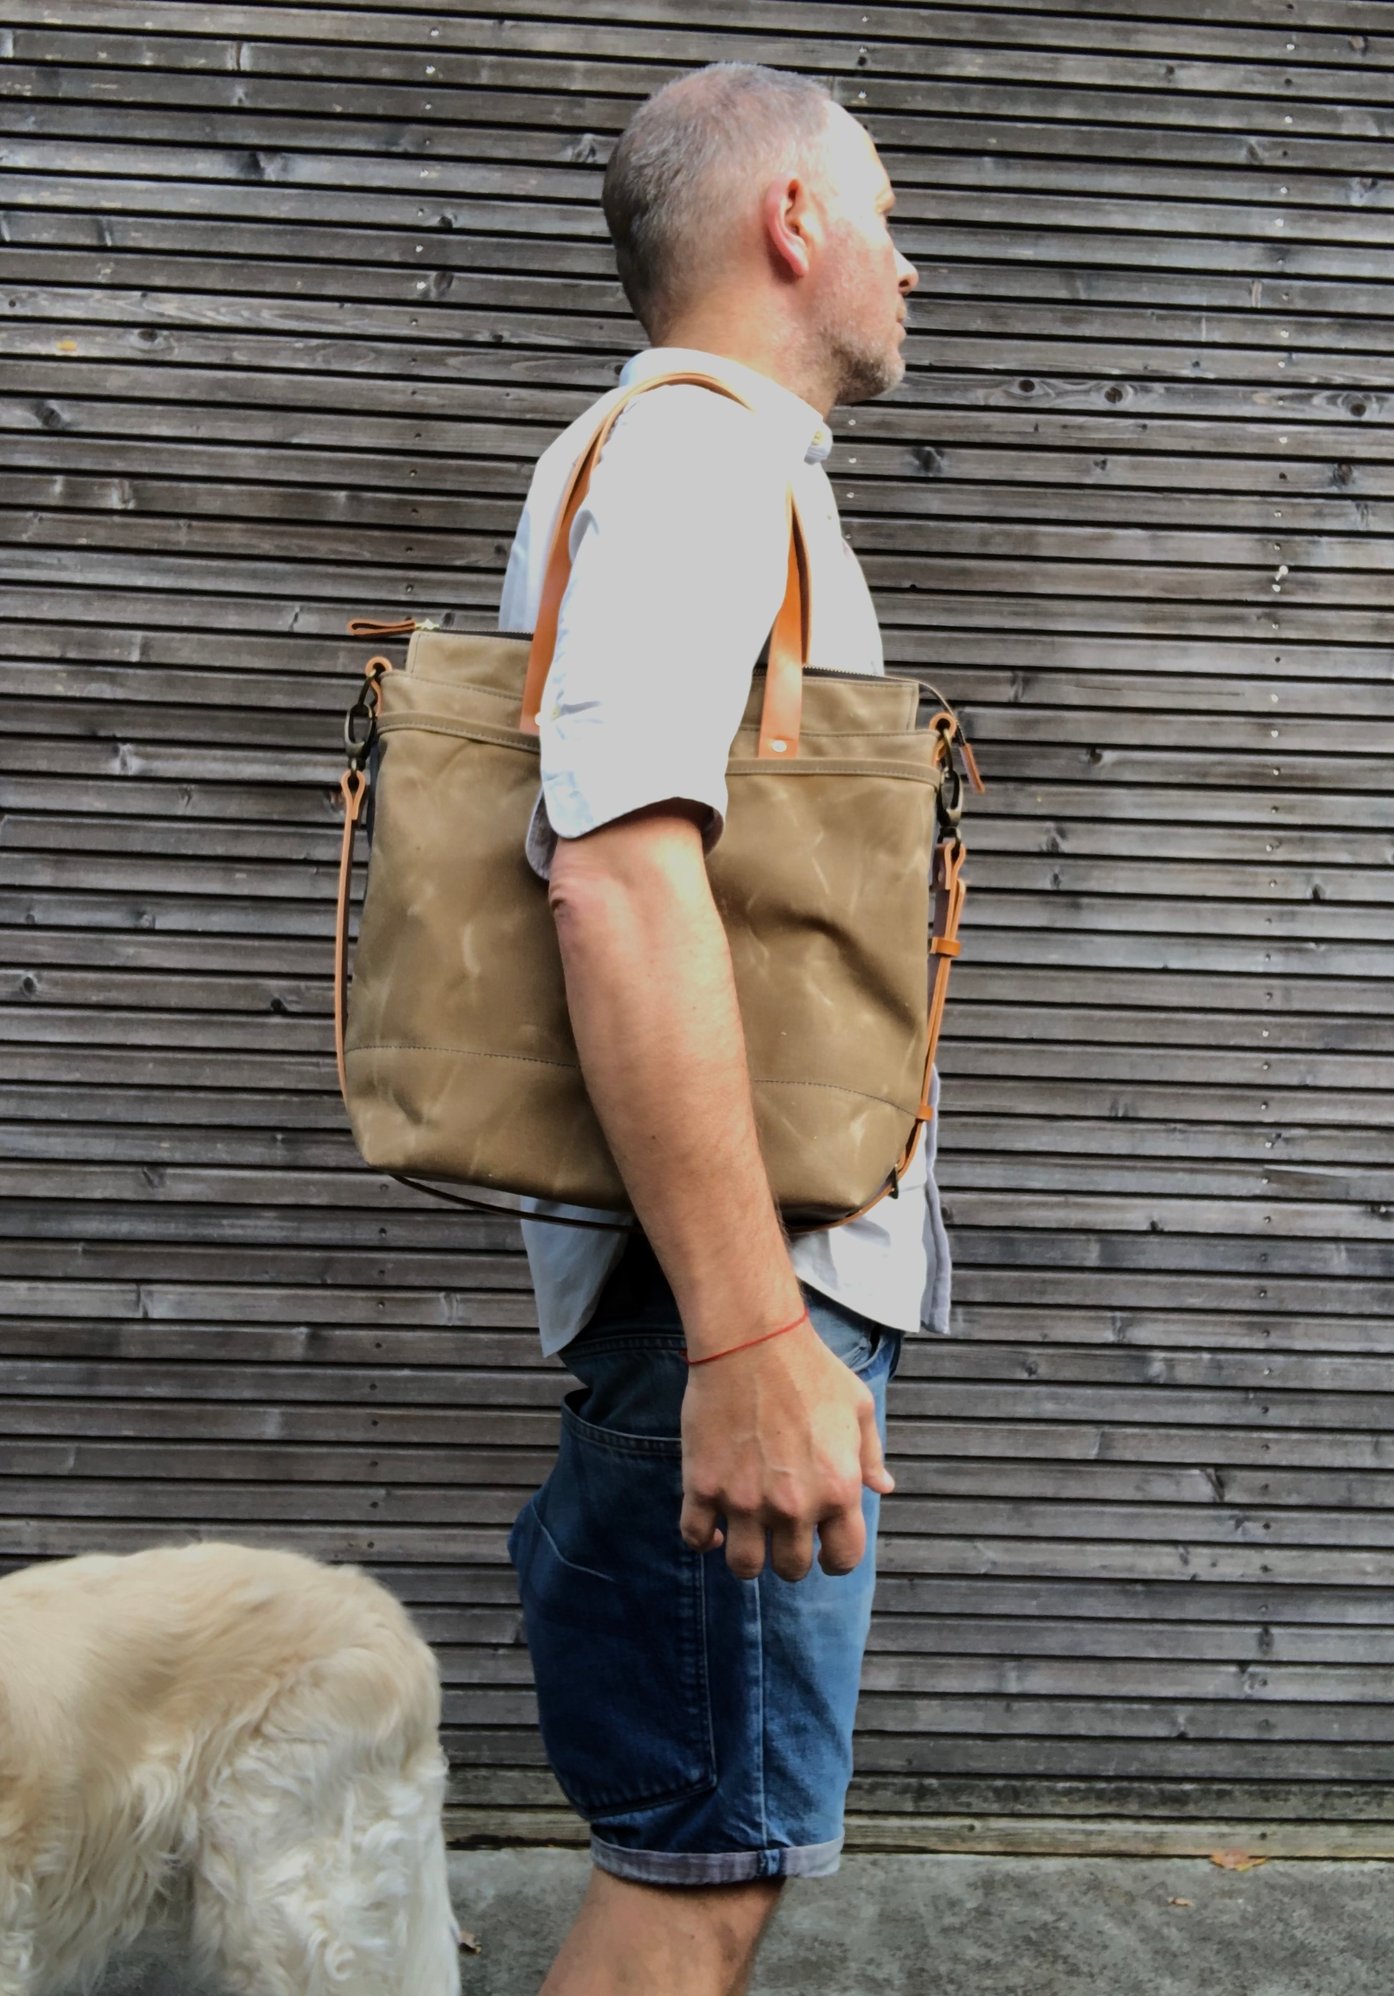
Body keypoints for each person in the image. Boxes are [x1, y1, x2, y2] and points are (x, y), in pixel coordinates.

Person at [500, 62, 939, 1996]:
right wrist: (756, 1334)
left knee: (707, 1851)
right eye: (892, 214)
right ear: (794, 222)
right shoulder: (696, 463)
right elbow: (615, 872)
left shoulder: (690, 466)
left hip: (730, 1280)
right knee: (700, 1875)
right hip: (731, 1290)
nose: (912, 265)